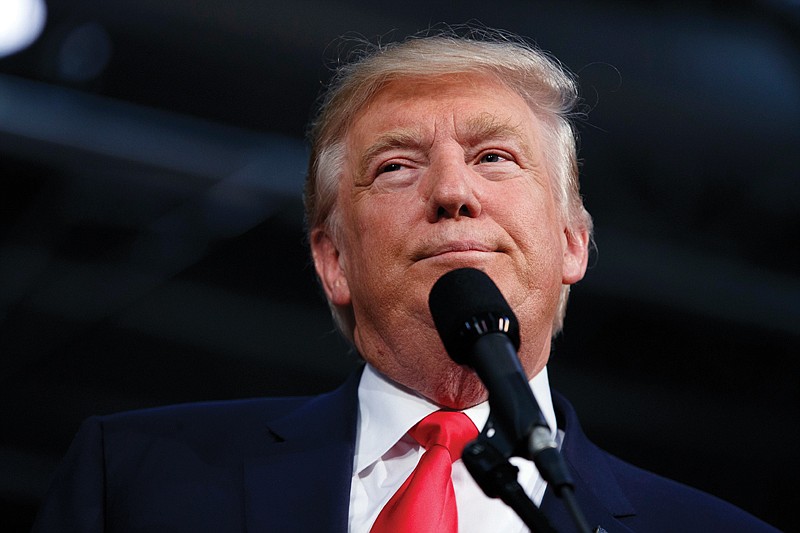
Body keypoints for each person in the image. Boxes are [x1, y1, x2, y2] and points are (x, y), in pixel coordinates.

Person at [33, 29, 778, 532]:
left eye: (494, 157)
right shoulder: (135, 481)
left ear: (571, 243)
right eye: (396, 166)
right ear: (334, 261)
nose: (453, 192)